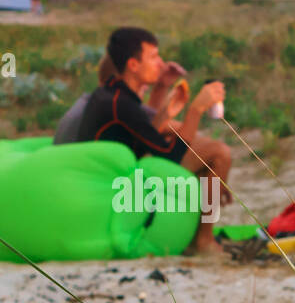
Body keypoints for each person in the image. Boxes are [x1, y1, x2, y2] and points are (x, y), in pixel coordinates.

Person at [76, 27, 231, 254]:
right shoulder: (122, 104)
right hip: (117, 186)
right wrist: (197, 109)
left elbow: (142, 136)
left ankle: (193, 234)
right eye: (153, 57)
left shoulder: (112, 94)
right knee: (219, 153)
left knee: (206, 154)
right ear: (133, 65)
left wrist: (164, 102)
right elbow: (171, 154)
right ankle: (203, 240)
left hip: (117, 174)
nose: (160, 63)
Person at [54, 53, 187, 145]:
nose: (146, 88)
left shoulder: (89, 101)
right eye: (141, 82)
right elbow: (182, 133)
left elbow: (152, 124)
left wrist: (161, 87)